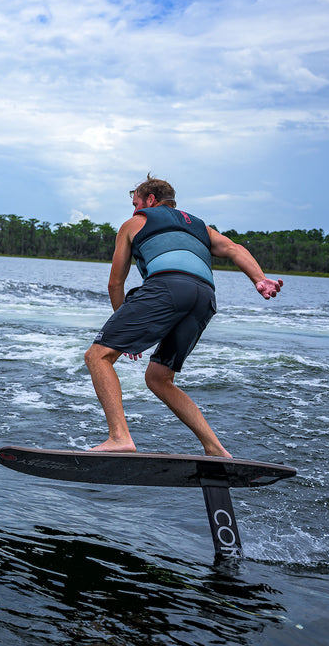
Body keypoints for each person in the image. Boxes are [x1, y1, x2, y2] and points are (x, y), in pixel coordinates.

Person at [83, 175, 283, 458]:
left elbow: (115, 284)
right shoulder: (201, 227)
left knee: (97, 356)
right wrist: (259, 279)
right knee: (159, 378)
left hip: (167, 287)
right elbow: (235, 249)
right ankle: (215, 449)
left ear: (150, 200)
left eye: (136, 203)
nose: (134, 209)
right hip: (204, 298)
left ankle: (119, 437)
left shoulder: (134, 224)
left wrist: (123, 328)